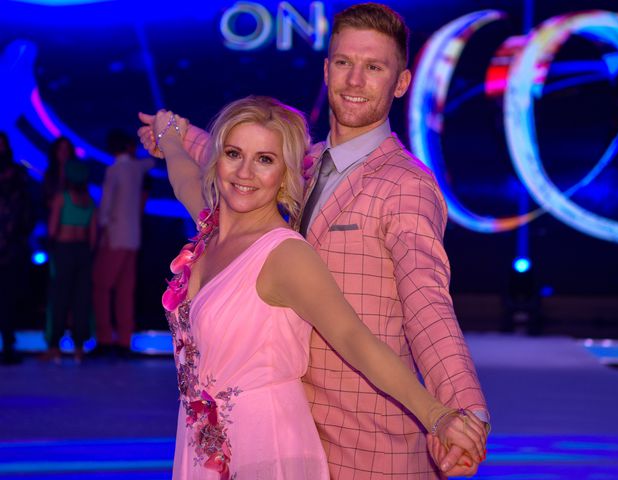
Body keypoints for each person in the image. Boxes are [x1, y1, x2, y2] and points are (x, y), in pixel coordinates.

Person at [139, 4, 489, 477]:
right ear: (326, 70)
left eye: (374, 67)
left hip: (370, 440)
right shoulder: (302, 164)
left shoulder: (405, 186)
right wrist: (176, 135)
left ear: (402, 82)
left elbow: (427, 305)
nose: (355, 80)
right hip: (288, 425)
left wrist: (462, 412)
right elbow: (242, 161)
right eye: (344, 62)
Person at [91, 130, 154, 357]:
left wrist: (102, 230)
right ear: (129, 146)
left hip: (114, 236)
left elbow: (106, 205)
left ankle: (105, 339)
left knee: (101, 287)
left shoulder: (114, 170)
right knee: (125, 290)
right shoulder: (137, 167)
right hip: (133, 237)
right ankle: (124, 341)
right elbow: (151, 162)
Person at [44, 158, 96, 364]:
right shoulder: (89, 201)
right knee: (81, 299)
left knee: (60, 298)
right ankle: (79, 349)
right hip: (83, 251)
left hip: (64, 250)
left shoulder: (62, 198)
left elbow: (51, 229)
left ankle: (54, 348)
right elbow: (93, 235)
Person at [0, 132, 33, 365]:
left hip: (12, 245)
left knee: (9, 297)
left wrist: (19, 233)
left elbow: (26, 209)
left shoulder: (18, 174)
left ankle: (9, 344)